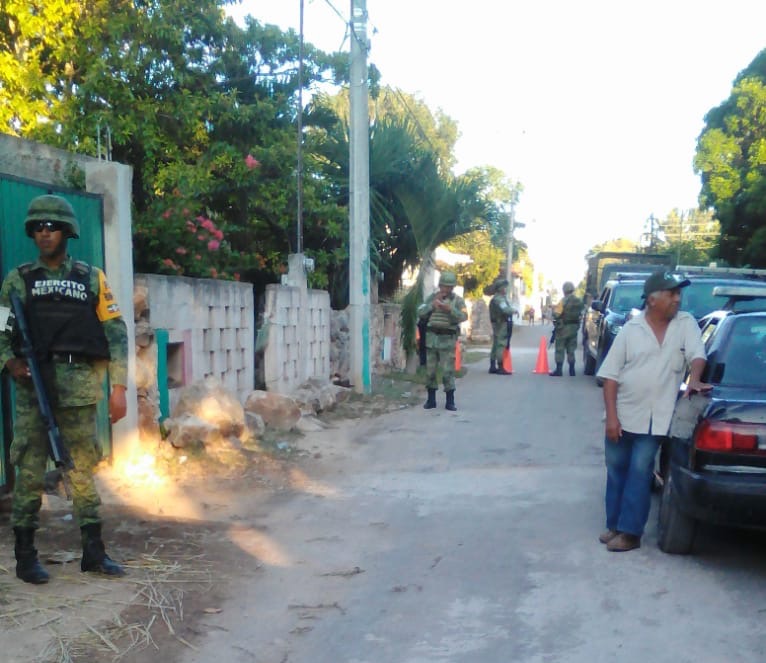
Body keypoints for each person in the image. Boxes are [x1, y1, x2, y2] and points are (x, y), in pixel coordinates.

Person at [0, 194, 129, 584]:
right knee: (28, 470)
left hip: (77, 389)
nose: (44, 233)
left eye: (52, 226)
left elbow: (116, 332)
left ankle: (94, 551)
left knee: (82, 470)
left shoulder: (91, 277)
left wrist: (118, 386)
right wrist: (10, 362)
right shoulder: (18, 279)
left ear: (68, 232)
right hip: (32, 390)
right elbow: (1, 331)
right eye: (38, 226)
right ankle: (25, 556)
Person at [596, 271, 711, 552]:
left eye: (678, 293)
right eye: (671, 293)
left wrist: (694, 378)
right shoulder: (631, 330)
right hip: (623, 414)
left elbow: (698, 355)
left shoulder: (685, 324)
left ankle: (631, 533)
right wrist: (612, 418)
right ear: (652, 299)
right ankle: (615, 525)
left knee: (640, 471)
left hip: (656, 418)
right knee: (617, 470)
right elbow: (610, 377)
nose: (677, 298)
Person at [417, 271, 467, 411]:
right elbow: (420, 312)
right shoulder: (432, 298)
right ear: (440, 286)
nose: (446, 289)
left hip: (447, 340)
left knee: (447, 371)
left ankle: (450, 401)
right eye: (444, 286)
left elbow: (464, 316)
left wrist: (450, 309)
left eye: (449, 286)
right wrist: (432, 306)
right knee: (430, 371)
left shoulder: (458, 301)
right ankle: (431, 400)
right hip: (432, 338)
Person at [549, 281, 583, 376]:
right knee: (571, 349)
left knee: (560, 348)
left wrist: (553, 310)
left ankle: (559, 370)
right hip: (574, 328)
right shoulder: (578, 301)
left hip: (563, 328)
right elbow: (582, 311)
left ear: (564, 290)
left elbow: (556, 314)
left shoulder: (563, 301)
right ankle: (572, 370)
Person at [488, 277, 515, 375]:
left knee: (496, 344)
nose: (506, 289)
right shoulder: (499, 299)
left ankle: (492, 366)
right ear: (501, 288)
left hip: (498, 323)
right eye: (505, 287)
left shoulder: (499, 298)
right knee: (501, 344)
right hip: (501, 323)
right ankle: (500, 366)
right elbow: (505, 310)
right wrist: (513, 311)